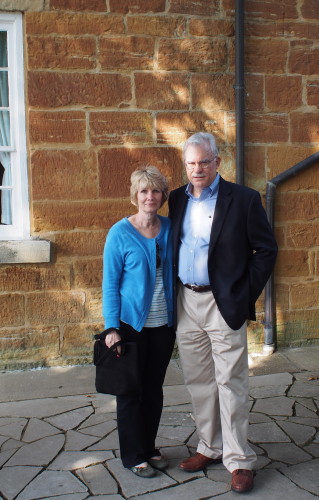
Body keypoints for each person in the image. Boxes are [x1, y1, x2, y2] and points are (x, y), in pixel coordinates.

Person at [168, 132, 278, 493]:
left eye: (204, 162)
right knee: (199, 381)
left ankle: (239, 460)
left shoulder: (243, 200)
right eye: (191, 163)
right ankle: (209, 447)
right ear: (185, 165)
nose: (197, 169)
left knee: (230, 382)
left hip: (222, 302)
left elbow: (266, 249)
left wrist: (244, 294)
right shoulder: (176, 200)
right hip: (186, 301)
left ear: (217, 162)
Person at [102, 165, 176, 478]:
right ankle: (134, 455)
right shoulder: (120, 233)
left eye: (155, 191)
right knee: (130, 392)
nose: (150, 197)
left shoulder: (171, 228)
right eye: (144, 191)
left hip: (164, 325)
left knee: (154, 389)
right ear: (135, 196)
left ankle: (149, 446)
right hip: (131, 325)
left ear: (163, 195)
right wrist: (111, 327)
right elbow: (109, 283)